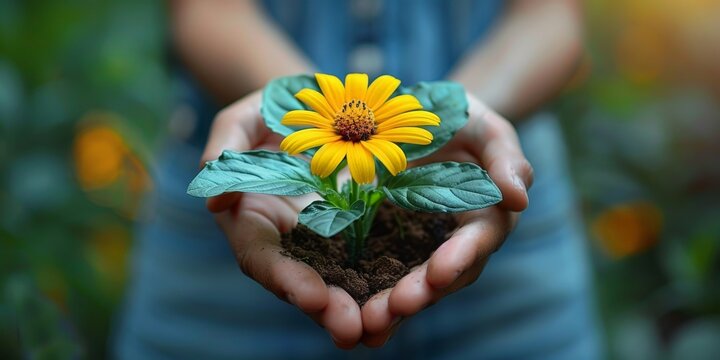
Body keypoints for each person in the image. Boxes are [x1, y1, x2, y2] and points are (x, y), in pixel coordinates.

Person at [114, 0, 602, 358]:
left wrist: (453, 124)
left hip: (511, 284)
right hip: (222, 280)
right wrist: (301, 126)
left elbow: (551, 17)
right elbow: (206, 12)